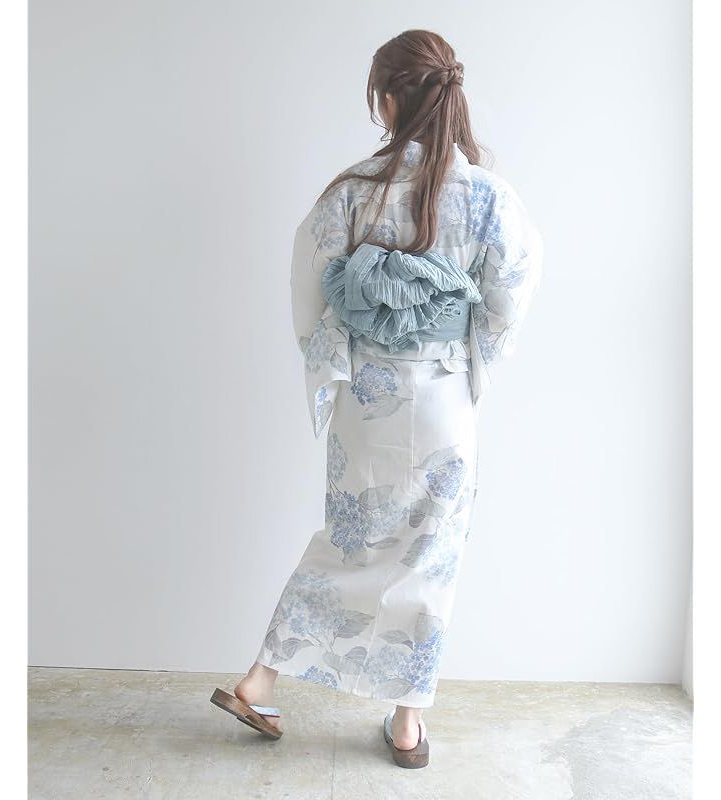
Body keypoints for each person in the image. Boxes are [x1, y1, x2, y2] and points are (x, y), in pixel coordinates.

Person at [211, 28, 543, 768]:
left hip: (368, 399)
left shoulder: (351, 193)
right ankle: (406, 724)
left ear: (390, 99)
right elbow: (508, 300)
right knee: (432, 556)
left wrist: (337, 354)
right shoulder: (489, 198)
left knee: (349, 539)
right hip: (443, 401)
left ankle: (261, 679)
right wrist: (466, 355)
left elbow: (310, 290)